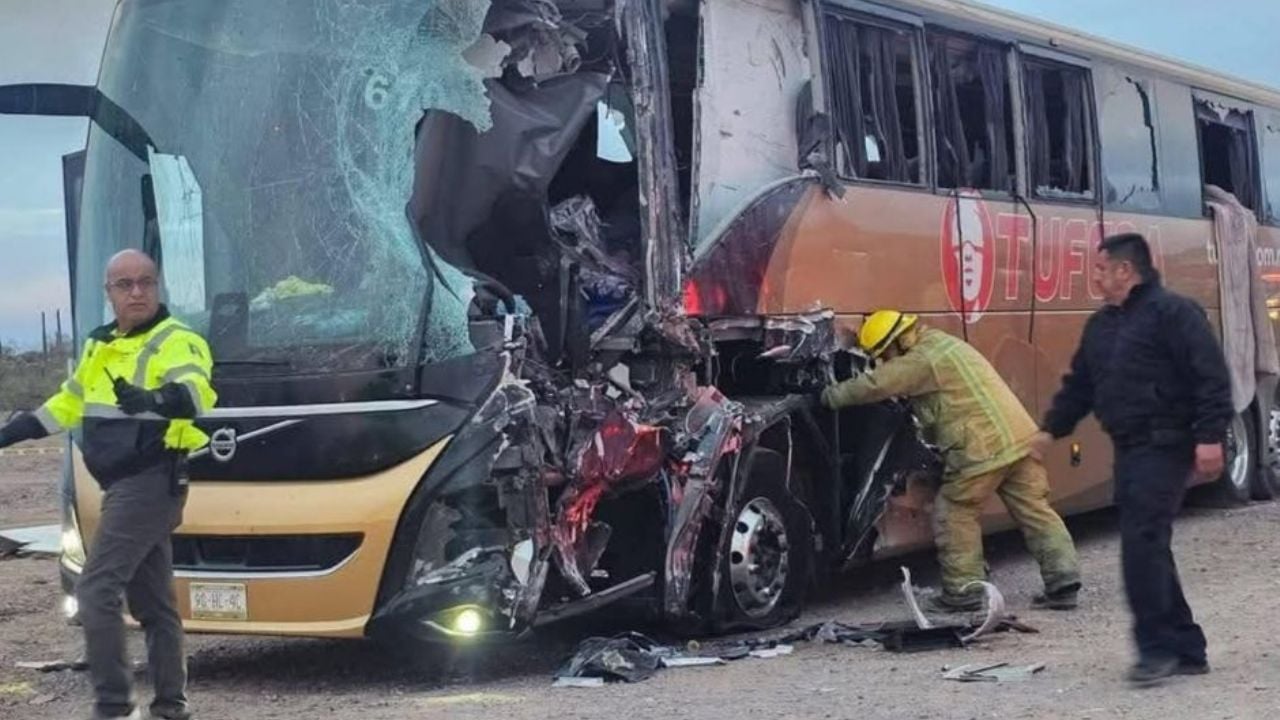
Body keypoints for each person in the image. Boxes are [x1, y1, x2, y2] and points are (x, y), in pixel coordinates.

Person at [0, 250, 216, 719]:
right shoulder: (100, 346)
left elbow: (196, 393)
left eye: (145, 282)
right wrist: (10, 433)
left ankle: (114, 708)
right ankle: (170, 709)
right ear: (109, 293)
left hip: (152, 480)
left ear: (157, 286)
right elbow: (66, 405)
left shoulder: (177, 339)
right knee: (155, 606)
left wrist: (155, 399)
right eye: (125, 284)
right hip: (120, 484)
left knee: (95, 592)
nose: (136, 291)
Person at [1032, 232, 1231, 685]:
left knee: (1140, 541)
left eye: (1100, 268)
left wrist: (1210, 437)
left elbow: (1211, 377)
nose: (1094, 277)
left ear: (1125, 270)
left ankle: (1155, 648)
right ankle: (1186, 646)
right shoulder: (1102, 326)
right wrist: (1050, 430)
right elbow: (1080, 385)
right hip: (1130, 446)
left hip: (1170, 442)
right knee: (1150, 541)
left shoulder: (1174, 314)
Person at [822, 310, 1081, 612]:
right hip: (1020, 439)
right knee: (1035, 510)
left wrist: (827, 396)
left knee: (954, 511)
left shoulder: (920, 360)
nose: (884, 361)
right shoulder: (944, 344)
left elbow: (875, 385)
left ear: (896, 342)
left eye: (884, 354)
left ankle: (963, 592)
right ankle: (1063, 581)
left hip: (981, 448)